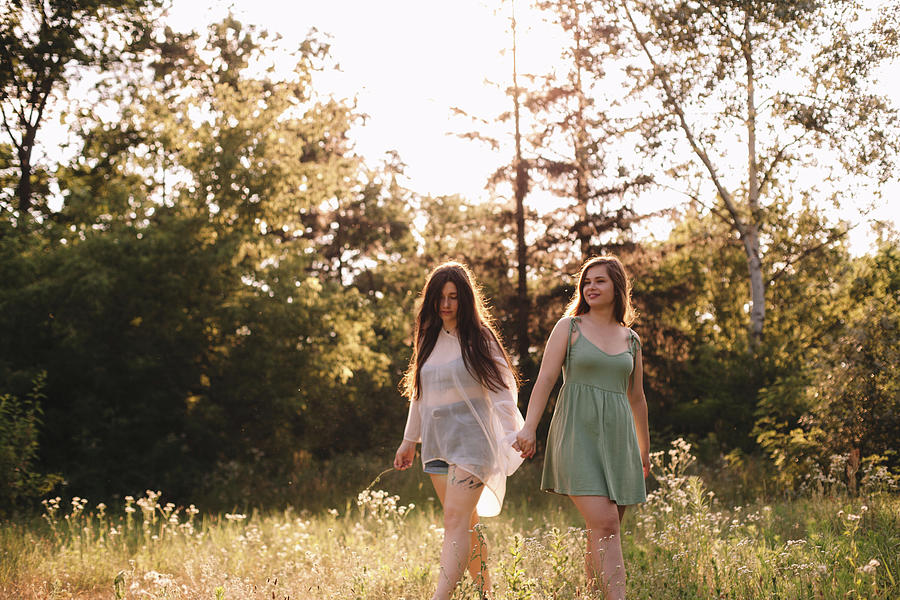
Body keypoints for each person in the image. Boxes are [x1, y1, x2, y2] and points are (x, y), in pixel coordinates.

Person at [514, 256, 650, 600]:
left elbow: (637, 399)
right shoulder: (569, 328)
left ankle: (589, 594)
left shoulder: (632, 340)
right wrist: (529, 428)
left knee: (600, 532)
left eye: (600, 281)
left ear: (617, 287)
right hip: (577, 435)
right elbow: (544, 381)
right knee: (606, 524)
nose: (591, 286)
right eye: (587, 281)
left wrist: (643, 450)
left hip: (620, 443)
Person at [394, 261, 525, 600]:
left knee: (454, 520)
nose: (446, 304)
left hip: (473, 443)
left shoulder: (479, 337)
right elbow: (419, 394)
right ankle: (486, 593)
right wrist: (410, 441)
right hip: (437, 444)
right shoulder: (427, 338)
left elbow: (501, 391)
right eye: (440, 297)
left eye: (453, 297)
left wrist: (514, 435)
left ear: (465, 299)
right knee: (465, 522)